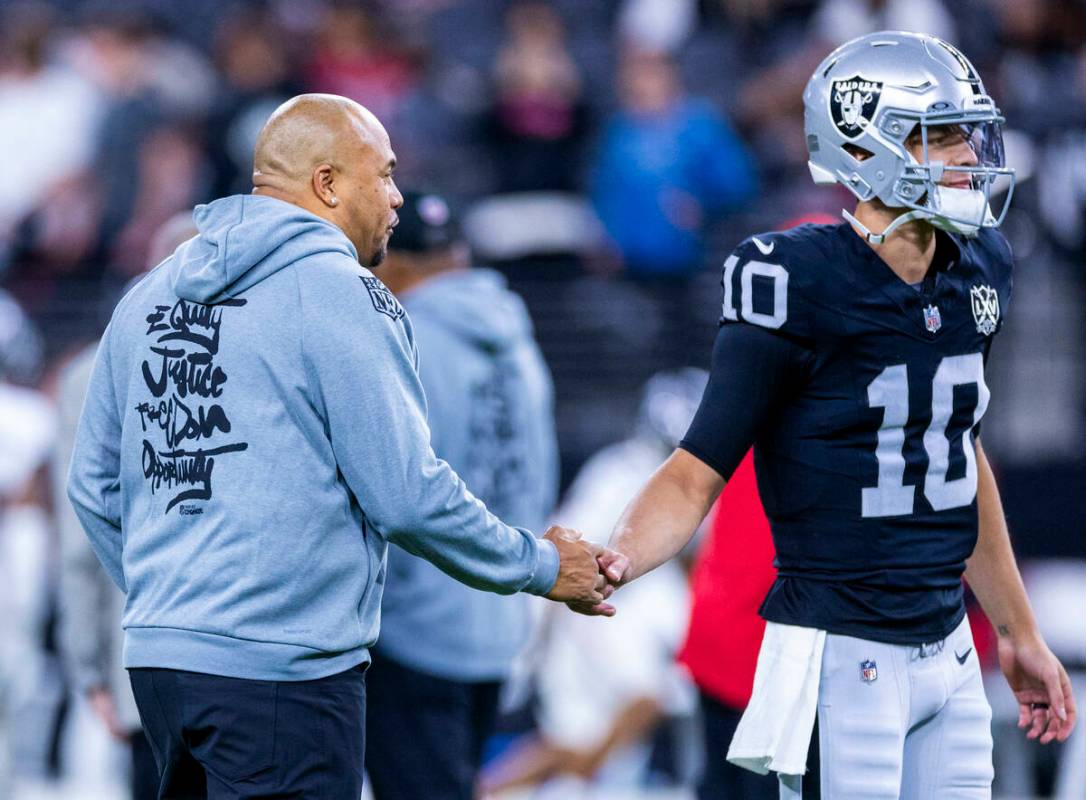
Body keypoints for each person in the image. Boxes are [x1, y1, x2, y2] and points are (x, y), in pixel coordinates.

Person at [66, 93, 611, 799]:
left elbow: (91, 486)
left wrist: (173, 601)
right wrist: (540, 565)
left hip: (162, 668)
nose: (394, 199)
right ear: (326, 184)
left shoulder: (147, 295)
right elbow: (407, 497)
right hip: (282, 679)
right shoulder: (343, 291)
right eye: (382, 175)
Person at [591, 32, 1078, 799]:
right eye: (940, 135)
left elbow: (957, 452)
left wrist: (1018, 632)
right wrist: (612, 558)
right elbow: (695, 471)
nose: (968, 155)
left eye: (968, 131)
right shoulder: (794, 277)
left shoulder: (982, 264)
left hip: (945, 644)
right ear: (866, 147)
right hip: (843, 656)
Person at [362, 190, 560, 800]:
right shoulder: (519, 340)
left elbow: (396, 489)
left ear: (390, 263)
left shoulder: (402, 334)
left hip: (415, 630)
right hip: (499, 622)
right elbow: (540, 479)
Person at [481, 370, 705, 799]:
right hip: (597, 620)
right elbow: (571, 556)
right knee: (581, 749)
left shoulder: (697, 484)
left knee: (603, 757)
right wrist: (530, 649)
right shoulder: (620, 471)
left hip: (643, 624)